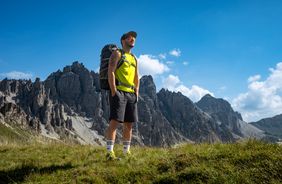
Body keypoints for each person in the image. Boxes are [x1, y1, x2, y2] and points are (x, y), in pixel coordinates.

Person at [106, 31, 139, 160]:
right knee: (114, 122)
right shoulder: (117, 53)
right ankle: (109, 153)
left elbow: (137, 76)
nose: (133, 39)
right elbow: (111, 71)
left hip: (131, 94)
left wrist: (137, 91)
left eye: (134, 37)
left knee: (129, 124)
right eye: (130, 37)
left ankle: (126, 152)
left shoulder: (134, 58)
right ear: (123, 40)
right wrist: (114, 91)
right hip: (119, 91)